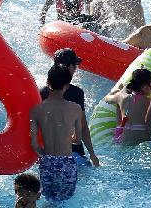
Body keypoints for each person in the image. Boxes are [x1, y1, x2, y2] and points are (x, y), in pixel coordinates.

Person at [30, 65, 99, 202]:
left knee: (49, 200)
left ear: (48, 83)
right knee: (65, 202)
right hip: (67, 162)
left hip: (47, 162)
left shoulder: (37, 110)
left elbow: (34, 144)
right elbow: (78, 140)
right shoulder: (75, 109)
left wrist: (45, 156)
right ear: (67, 86)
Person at [38, 50, 97, 164]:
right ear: (69, 67)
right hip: (73, 154)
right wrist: (92, 154)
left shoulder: (41, 92)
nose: (76, 69)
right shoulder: (76, 93)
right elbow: (83, 126)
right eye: (75, 66)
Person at [104, 68, 151, 146]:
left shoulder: (122, 97)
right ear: (145, 86)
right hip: (144, 139)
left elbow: (107, 98)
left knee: (119, 108)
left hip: (124, 138)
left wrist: (117, 91)